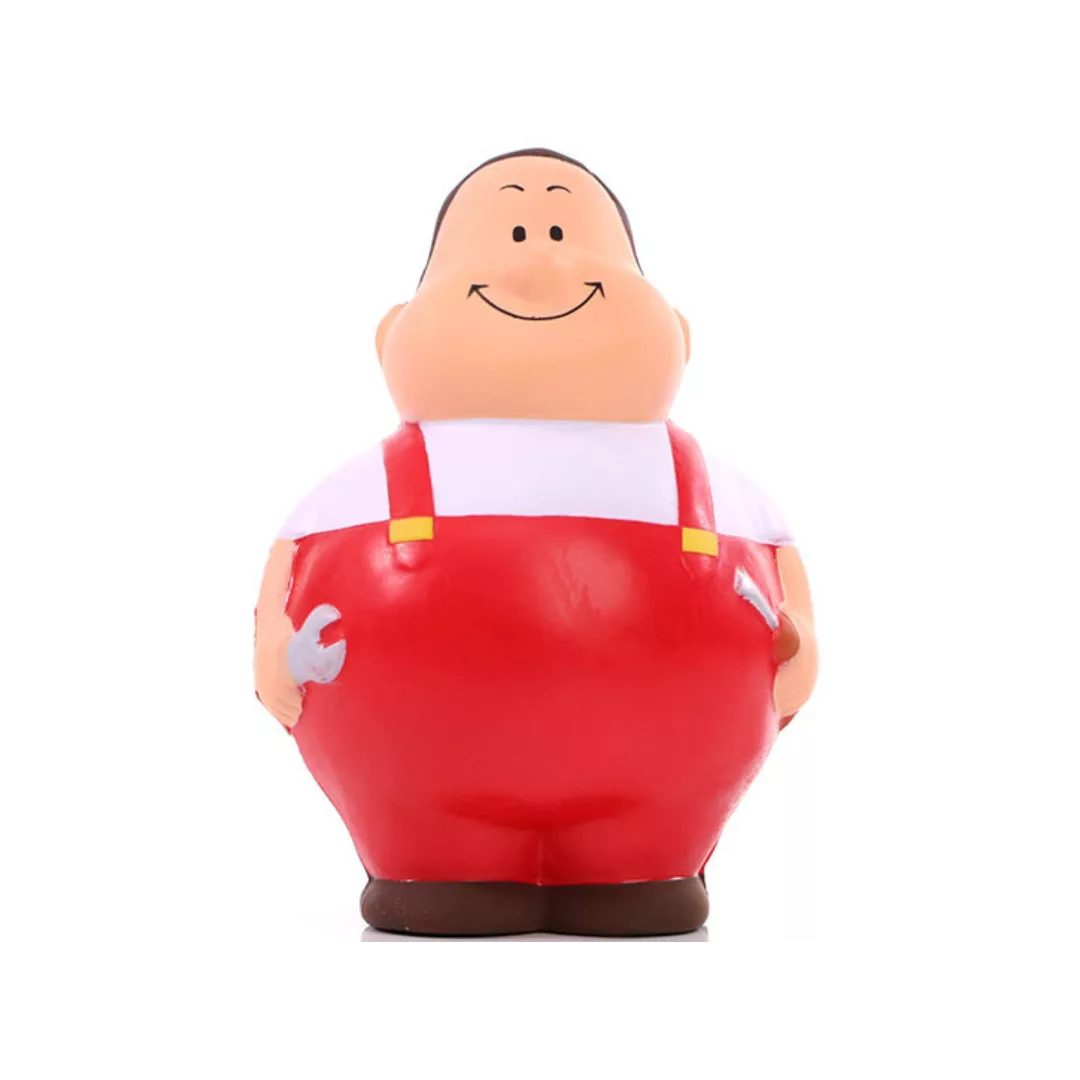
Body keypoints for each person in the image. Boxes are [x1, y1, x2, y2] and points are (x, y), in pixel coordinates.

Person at [254, 148, 818, 936]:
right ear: (391, 337)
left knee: (643, 876)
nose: (539, 262)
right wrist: (276, 661)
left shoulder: (726, 498)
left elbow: (795, 621)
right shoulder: (361, 489)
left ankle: (642, 867)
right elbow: (277, 604)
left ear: (679, 335)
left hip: (666, 783)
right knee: (439, 868)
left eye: (562, 231)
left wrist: (797, 655)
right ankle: (437, 865)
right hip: (417, 781)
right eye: (510, 233)